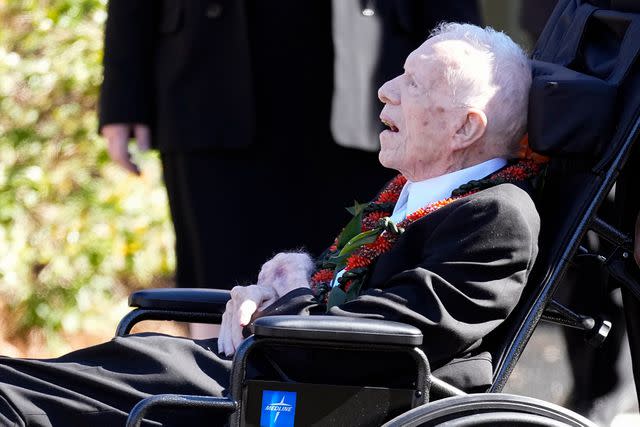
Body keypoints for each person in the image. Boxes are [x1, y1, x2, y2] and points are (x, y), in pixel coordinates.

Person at [0, 23, 539, 425]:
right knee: (36, 382)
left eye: (415, 84)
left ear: (467, 127)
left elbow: (397, 335)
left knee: (27, 403)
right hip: (269, 370)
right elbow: (348, 298)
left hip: (311, 396)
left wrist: (285, 304)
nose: (387, 90)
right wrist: (285, 286)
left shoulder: (496, 215)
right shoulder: (410, 192)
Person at [98, 2, 481, 331]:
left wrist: (470, 88)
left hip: (364, 88)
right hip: (204, 81)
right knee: (219, 286)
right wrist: (122, 95)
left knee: (351, 286)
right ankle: (211, 401)